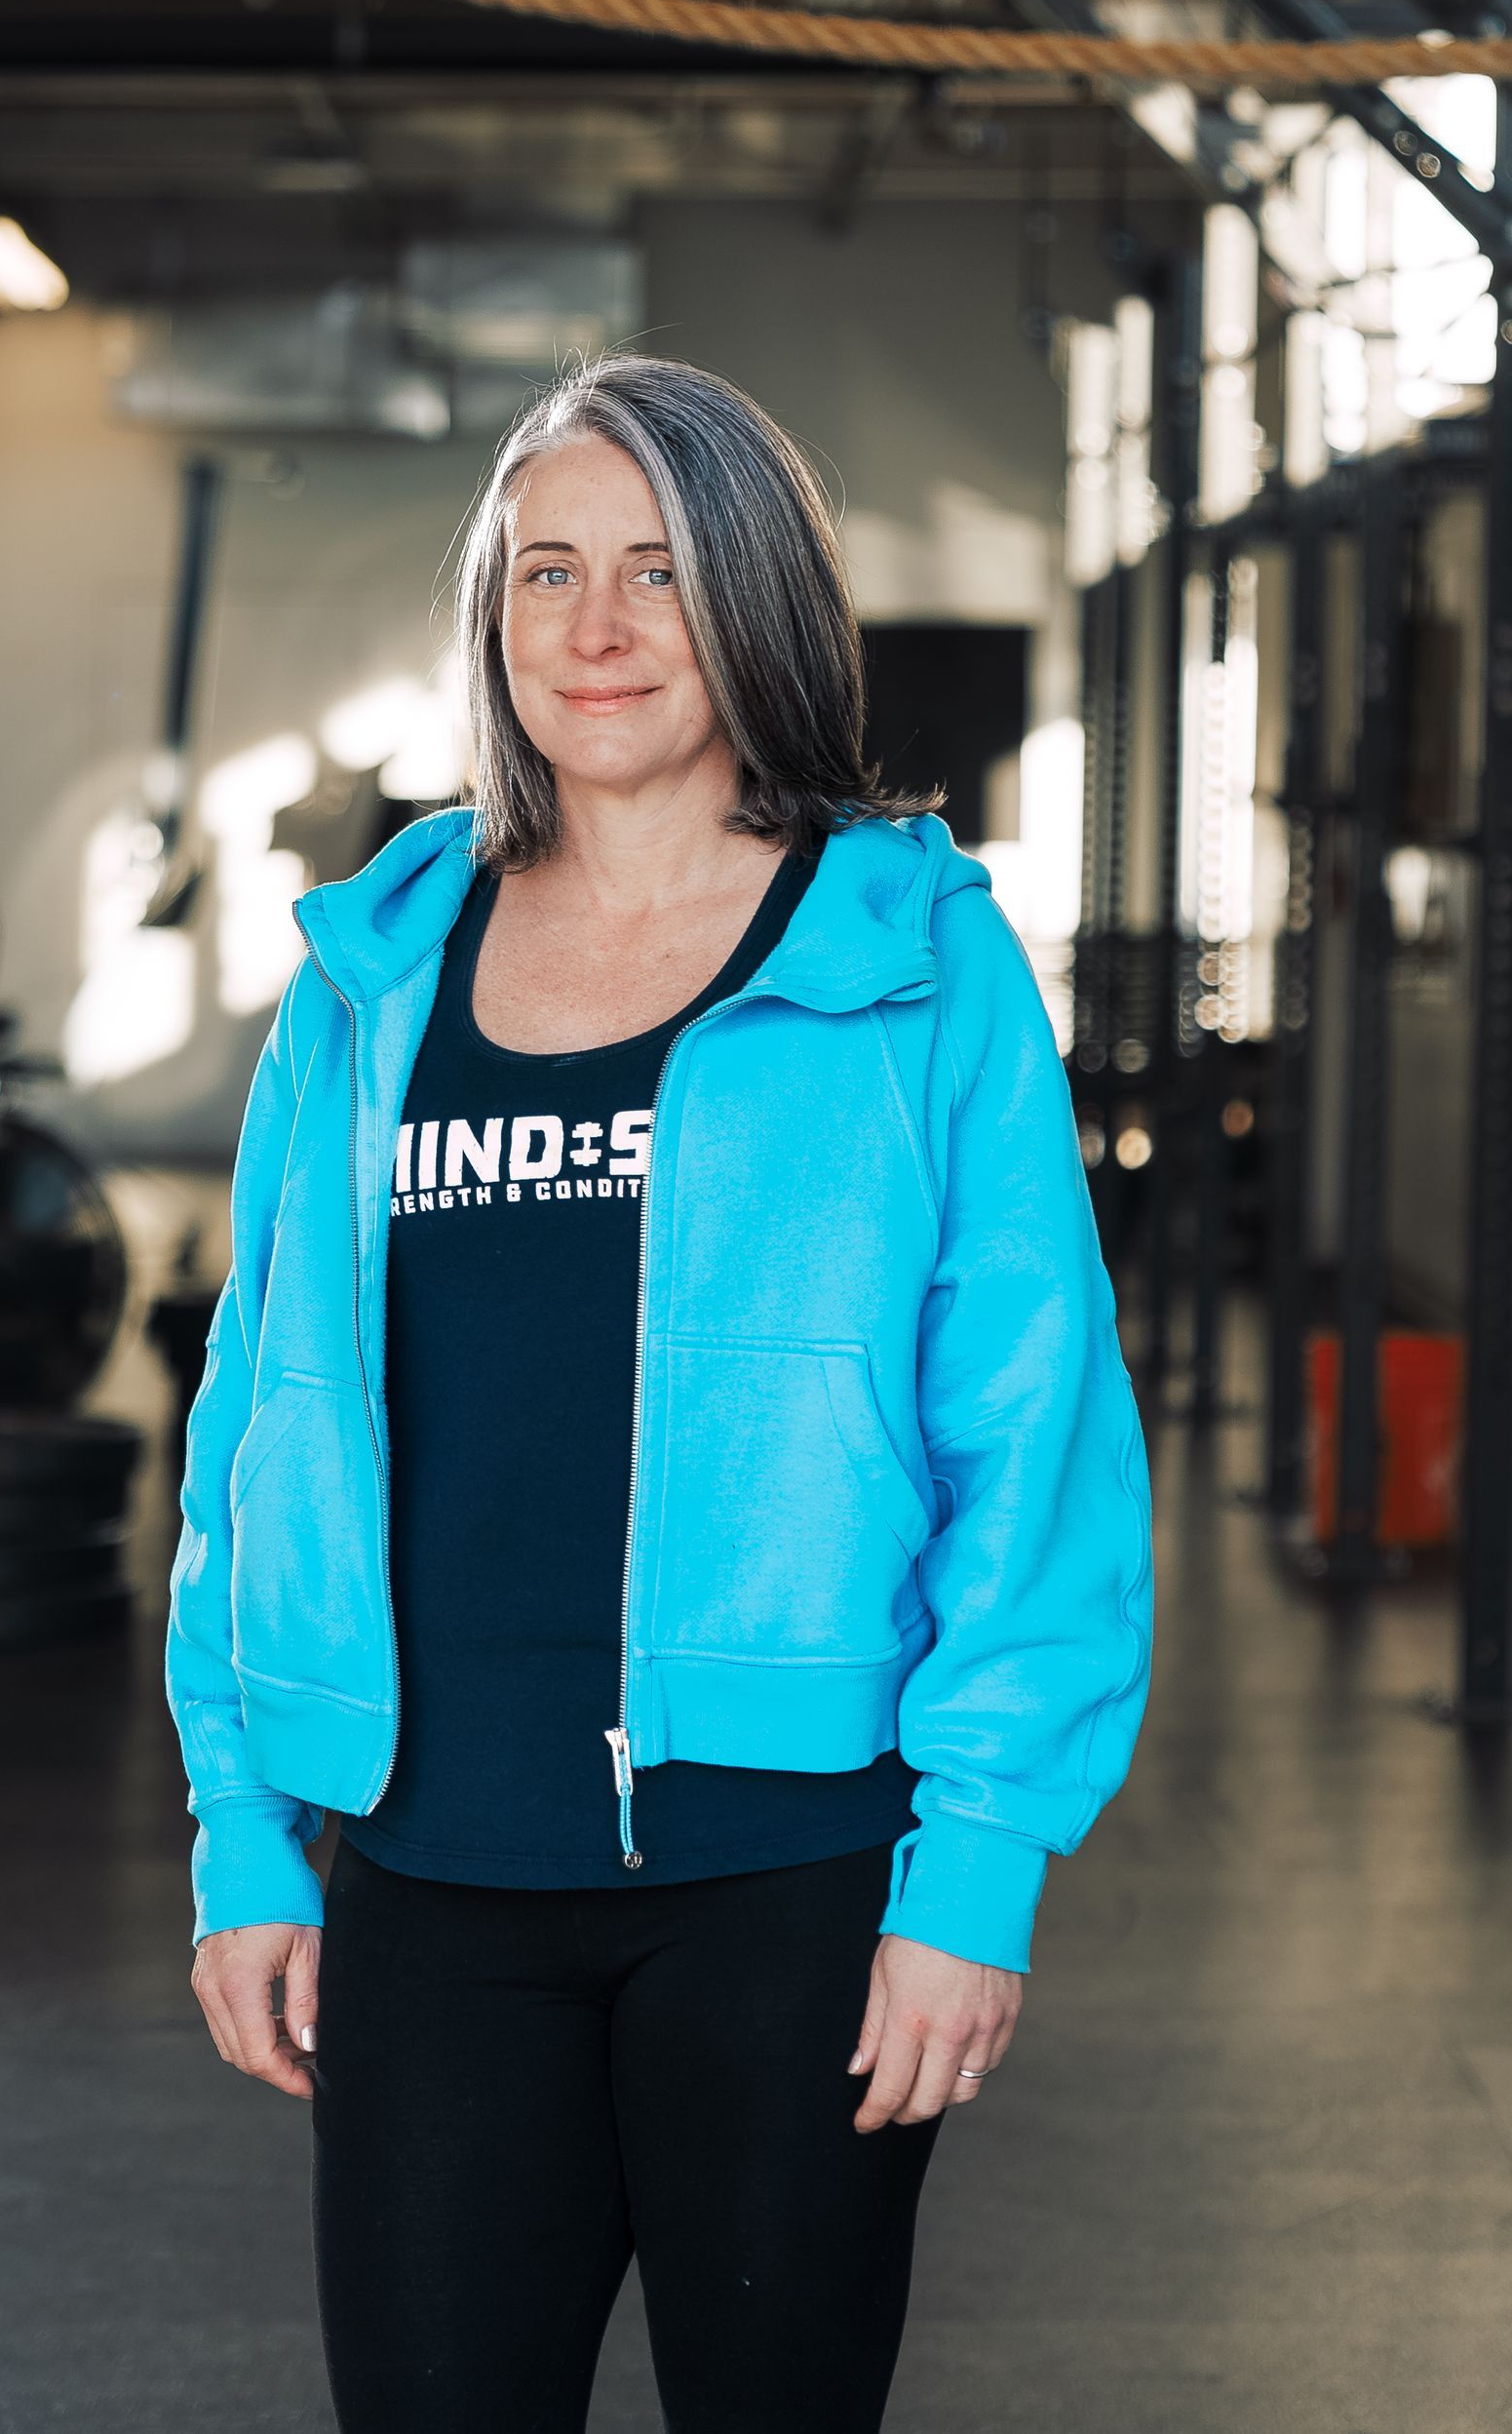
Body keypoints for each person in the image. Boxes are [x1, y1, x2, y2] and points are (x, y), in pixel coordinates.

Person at [167, 355, 1153, 2434]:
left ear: (757, 605)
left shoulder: (913, 957)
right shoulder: (370, 975)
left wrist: (975, 1870)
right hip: (430, 1879)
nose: (595, 631)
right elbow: (256, 1426)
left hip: (791, 1888)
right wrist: (245, 1830)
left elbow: (1033, 1428)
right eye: (547, 574)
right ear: (494, 617)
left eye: (658, 573)